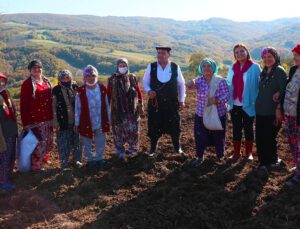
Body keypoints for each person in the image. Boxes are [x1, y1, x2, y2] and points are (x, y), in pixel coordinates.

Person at [143, 46, 186, 157]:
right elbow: (145, 82)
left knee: (175, 125)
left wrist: (182, 100)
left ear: (168, 55)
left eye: (163, 53)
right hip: (155, 103)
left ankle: (177, 147)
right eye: (158, 53)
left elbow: (181, 84)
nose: (160, 55)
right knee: (154, 125)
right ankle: (153, 148)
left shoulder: (175, 67)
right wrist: (149, 90)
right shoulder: (151, 66)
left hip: (171, 103)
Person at [186, 58, 230, 165]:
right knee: (200, 135)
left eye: (209, 66)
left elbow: (227, 95)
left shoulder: (220, 80)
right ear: (201, 69)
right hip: (201, 113)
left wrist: (217, 100)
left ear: (213, 68)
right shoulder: (199, 80)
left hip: (218, 114)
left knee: (219, 136)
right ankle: (200, 157)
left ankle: (220, 156)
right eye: (204, 66)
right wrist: (189, 82)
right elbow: (188, 86)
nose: (206, 68)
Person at [226, 44, 261, 160]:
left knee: (248, 128)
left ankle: (249, 152)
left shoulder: (254, 67)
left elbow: (260, 84)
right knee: (236, 128)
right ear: (235, 55)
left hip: (249, 104)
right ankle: (236, 153)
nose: (239, 54)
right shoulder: (232, 67)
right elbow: (228, 83)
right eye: (237, 52)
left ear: (247, 52)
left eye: (242, 51)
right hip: (235, 103)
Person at [255, 47, 287, 170]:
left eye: (270, 56)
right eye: (264, 57)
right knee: (260, 137)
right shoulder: (264, 71)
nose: (267, 59)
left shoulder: (279, 71)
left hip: (273, 112)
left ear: (275, 57)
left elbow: (284, 90)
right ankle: (263, 162)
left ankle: (272, 161)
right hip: (261, 110)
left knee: (269, 137)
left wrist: (279, 108)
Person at [74, 65, 110, 169]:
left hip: (100, 119)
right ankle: (90, 160)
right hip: (86, 121)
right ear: (84, 78)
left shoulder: (102, 88)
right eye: (88, 76)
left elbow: (107, 104)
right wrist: (77, 123)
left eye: (93, 75)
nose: (91, 78)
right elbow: (77, 108)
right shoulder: (80, 91)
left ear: (96, 76)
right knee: (86, 141)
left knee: (101, 140)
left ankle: (99, 158)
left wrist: (109, 118)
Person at [107, 58, 144, 158]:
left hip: (131, 109)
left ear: (128, 66)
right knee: (118, 130)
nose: (122, 67)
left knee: (133, 129)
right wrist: (108, 112)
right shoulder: (112, 79)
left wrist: (141, 106)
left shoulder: (132, 77)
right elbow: (108, 95)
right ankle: (120, 150)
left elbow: (138, 92)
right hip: (117, 110)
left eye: (124, 65)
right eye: (120, 65)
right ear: (117, 67)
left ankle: (133, 148)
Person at [20, 60, 53, 171]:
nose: (37, 70)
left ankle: (43, 160)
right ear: (30, 70)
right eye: (34, 68)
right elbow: (23, 105)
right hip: (36, 120)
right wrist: (26, 123)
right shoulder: (27, 84)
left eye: (39, 67)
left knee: (48, 142)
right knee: (39, 143)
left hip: (48, 119)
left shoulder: (46, 82)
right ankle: (35, 167)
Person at [52, 69, 82, 169]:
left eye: (67, 77)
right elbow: (53, 106)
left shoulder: (75, 87)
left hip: (75, 121)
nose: (65, 79)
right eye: (63, 77)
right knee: (63, 143)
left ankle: (77, 160)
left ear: (71, 77)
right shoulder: (56, 90)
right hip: (63, 121)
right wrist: (55, 122)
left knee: (77, 142)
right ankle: (64, 163)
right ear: (59, 78)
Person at [283, 44, 300, 187]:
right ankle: (297, 166)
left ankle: (299, 177)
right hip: (289, 114)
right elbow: (288, 88)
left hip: (298, 114)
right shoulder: (294, 69)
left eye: (296, 55)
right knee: (292, 141)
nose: (294, 58)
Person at [0, 72, 18, 191]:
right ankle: (3, 181)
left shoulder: (6, 94)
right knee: (4, 157)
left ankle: (8, 176)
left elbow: (13, 111)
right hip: (3, 133)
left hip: (11, 130)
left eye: (2, 81)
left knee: (11, 155)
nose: (1, 83)